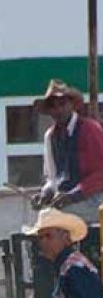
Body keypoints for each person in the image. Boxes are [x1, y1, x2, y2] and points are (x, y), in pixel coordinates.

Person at [31, 79, 103, 222]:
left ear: (72, 105)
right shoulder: (50, 136)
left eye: (62, 104)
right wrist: (44, 194)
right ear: (49, 111)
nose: (58, 110)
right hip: (67, 201)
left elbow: (100, 174)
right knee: (45, 215)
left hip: (97, 199)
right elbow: (52, 179)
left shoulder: (90, 129)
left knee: (55, 216)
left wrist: (72, 195)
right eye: (53, 106)